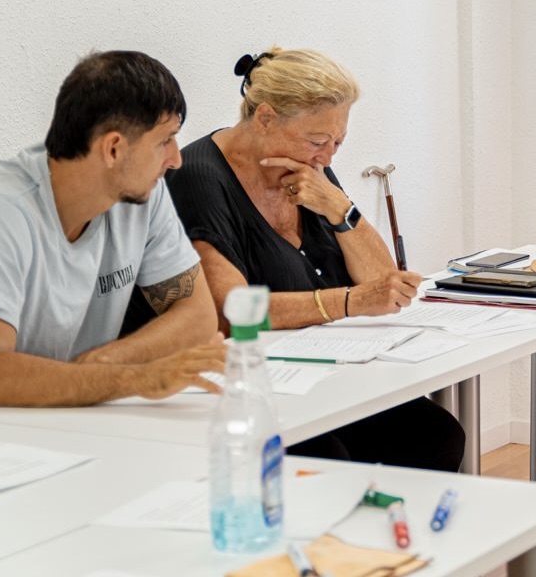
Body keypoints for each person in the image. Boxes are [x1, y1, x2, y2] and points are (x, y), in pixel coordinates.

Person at [164, 47, 464, 470]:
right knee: (333, 461)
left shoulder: (311, 170)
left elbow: (385, 284)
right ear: (265, 118)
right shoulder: (198, 177)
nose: (328, 156)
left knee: (435, 435)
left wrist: (340, 208)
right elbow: (230, 311)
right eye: (318, 141)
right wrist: (349, 302)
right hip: (258, 389)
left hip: (328, 372)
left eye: (338, 142)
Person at [0, 51, 226, 434]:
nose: (176, 159)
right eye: (164, 141)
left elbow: (198, 318)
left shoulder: (142, 196)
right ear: (113, 148)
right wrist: (134, 378)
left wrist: (102, 366)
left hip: (57, 424)